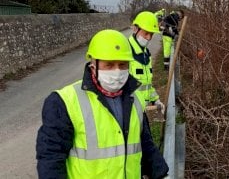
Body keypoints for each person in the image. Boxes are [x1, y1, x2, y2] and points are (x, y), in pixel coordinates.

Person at [36, 29, 169, 179]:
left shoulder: (136, 98)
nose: (117, 72)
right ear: (93, 65)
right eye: (109, 65)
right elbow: (50, 158)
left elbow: (144, 142)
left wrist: (160, 172)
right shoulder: (64, 102)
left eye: (122, 64)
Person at [129, 11, 165, 114]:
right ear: (136, 29)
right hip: (129, 113)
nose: (149, 38)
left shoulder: (146, 54)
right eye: (146, 33)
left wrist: (155, 100)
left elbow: (146, 85)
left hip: (141, 112)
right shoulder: (125, 52)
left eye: (151, 34)